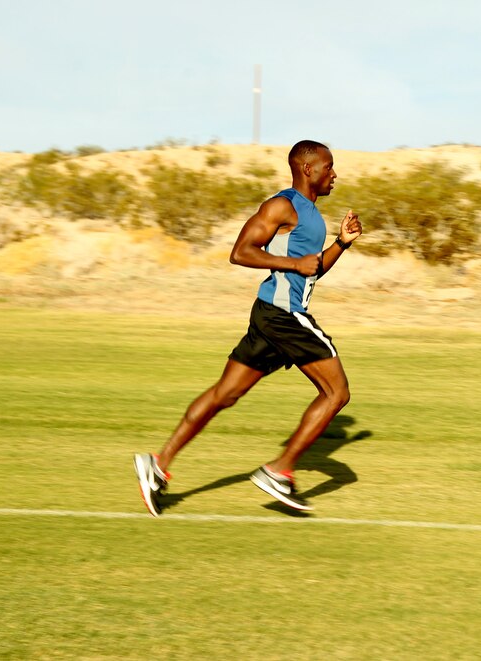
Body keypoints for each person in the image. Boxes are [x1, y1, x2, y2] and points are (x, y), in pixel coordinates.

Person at [133, 140, 362, 515]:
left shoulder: (310, 215)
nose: (334, 174)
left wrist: (341, 243)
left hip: (271, 314)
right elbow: (240, 252)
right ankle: (278, 471)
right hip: (285, 317)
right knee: (337, 394)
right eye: (329, 167)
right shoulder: (281, 205)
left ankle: (157, 463)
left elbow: (311, 267)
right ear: (307, 169)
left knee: (225, 394)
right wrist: (291, 266)